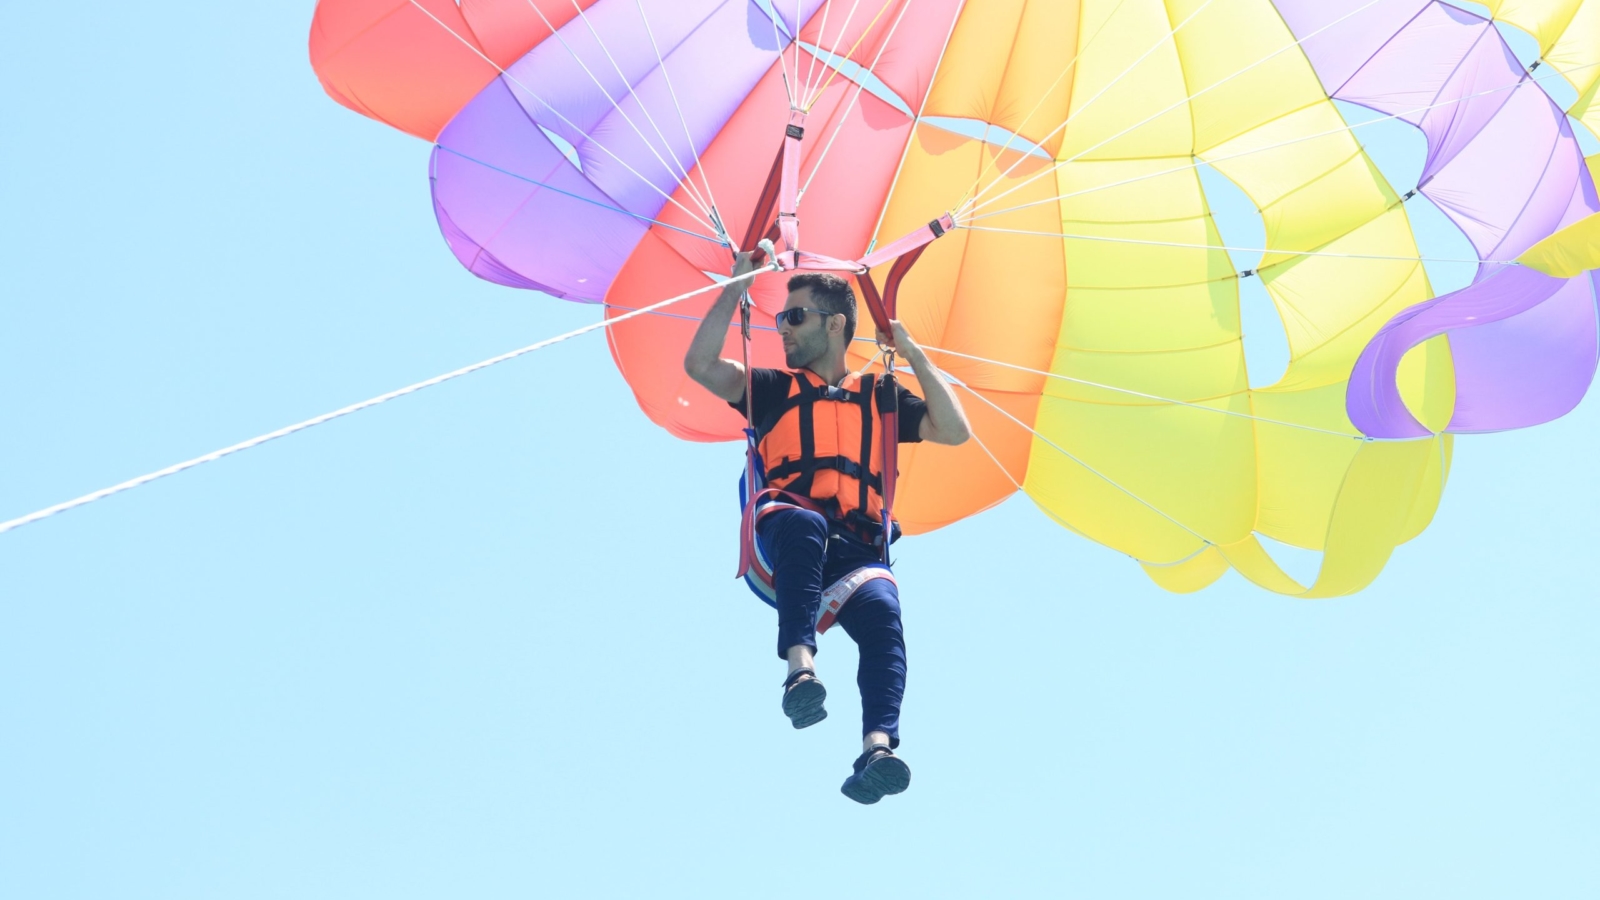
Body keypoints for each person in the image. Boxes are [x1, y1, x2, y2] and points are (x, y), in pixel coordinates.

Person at [684, 250, 971, 804]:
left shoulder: (881, 397)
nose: (782, 328)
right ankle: (800, 671)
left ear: (834, 324)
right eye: (778, 318)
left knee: (886, 609)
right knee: (804, 523)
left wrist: (908, 352)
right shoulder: (770, 388)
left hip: (857, 551)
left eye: (794, 317)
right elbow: (700, 366)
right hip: (785, 542)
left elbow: (954, 430)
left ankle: (877, 750)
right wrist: (736, 286)